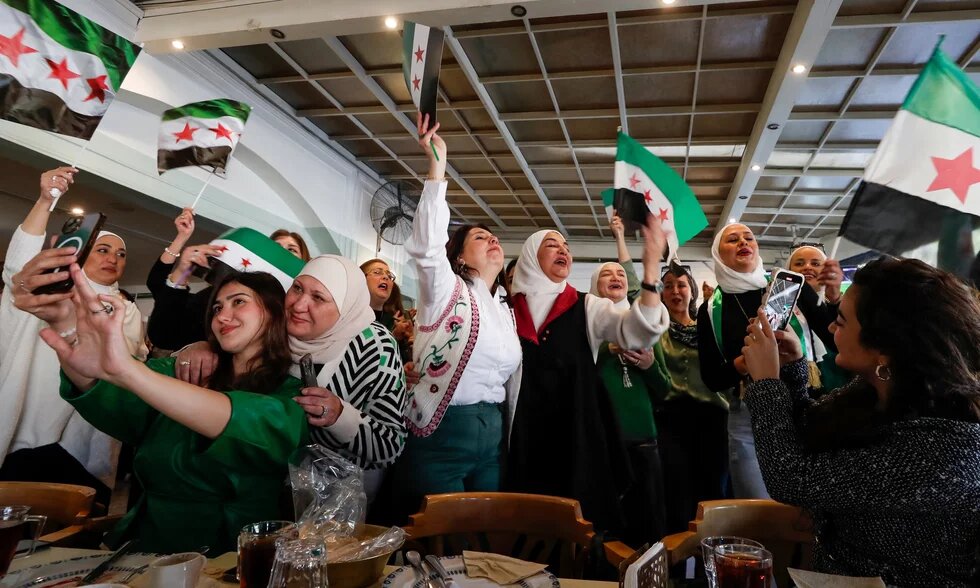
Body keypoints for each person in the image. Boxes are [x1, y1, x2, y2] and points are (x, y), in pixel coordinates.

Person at [741, 258, 980, 586]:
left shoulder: (946, 450)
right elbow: (807, 436)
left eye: (841, 321)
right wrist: (793, 368)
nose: (830, 328)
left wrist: (767, 383)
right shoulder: (875, 393)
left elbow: (791, 478)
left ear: (884, 348)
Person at [36, 267, 307, 552]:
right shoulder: (181, 371)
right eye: (217, 307)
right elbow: (111, 394)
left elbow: (248, 421)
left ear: (275, 311)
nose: (222, 317)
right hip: (148, 543)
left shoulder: (291, 394)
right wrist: (65, 325)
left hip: (231, 553)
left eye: (239, 301)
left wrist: (128, 371)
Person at [179, 255, 407, 503]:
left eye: (318, 297)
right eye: (297, 288)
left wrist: (340, 415)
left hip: (338, 496)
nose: (298, 305)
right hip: (259, 483)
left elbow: (390, 444)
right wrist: (201, 348)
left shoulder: (375, 347)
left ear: (345, 306)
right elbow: (229, 348)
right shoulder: (276, 327)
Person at [384, 113, 522, 523]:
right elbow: (427, 246)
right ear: (459, 255)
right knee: (441, 539)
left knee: (482, 534)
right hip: (444, 431)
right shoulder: (445, 287)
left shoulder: (504, 308)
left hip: (492, 434)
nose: (492, 239)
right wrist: (437, 168)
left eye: (494, 236)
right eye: (480, 237)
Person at [505, 200, 669, 535]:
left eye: (566, 246)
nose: (563, 250)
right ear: (529, 256)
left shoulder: (587, 305)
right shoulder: (503, 309)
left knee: (574, 527)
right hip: (519, 436)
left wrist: (650, 275)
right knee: (523, 524)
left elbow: (635, 331)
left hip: (574, 436)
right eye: (551, 245)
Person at [0, 167, 148, 506]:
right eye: (103, 249)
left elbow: (123, 368)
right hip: (24, 440)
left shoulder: (127, 310)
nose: (113, 258)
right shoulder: (51, 290)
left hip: (82, 449)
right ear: (80, 251)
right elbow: (17, 270)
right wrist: (45, 200)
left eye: (121, 254)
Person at [697, 223, 840, 498]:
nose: (743, 242)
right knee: (757, 504)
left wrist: (833, 297)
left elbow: (834, 339)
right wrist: (746, 361)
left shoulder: (789, 287)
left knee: (806, 502)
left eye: (748, 237)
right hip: (748, 413)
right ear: (718, 253)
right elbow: (711, 377)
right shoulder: (710, 308)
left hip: (801, 403)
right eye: (732, 240)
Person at [145, 215, 311, 356]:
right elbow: (163, 331)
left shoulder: (300, 315)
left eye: (291, 250)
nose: (280, 254)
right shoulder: (219, 298)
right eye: (274, 248)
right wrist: (183, 271)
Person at [590, 259, 667, 545]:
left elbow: (665, 388)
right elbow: (577, 378)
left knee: (648, 525)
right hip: (603, 442)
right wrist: (606, 349)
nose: (616, 276)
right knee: (607, 529)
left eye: (621, 272)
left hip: (644, 442)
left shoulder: (645, 327)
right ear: (595, 286)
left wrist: (649, 365)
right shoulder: (586, 329)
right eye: (606, 274)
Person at [655, 262, 729, 533]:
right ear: (661, 294)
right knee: (675, 492)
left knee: (712, 493)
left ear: (692, 291)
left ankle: (708, 565)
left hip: (711, 419)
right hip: (671, 419)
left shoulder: (708, 328)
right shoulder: (656, 330)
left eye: (682, 284)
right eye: (668, 286)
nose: (675, 291)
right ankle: (675, 562)